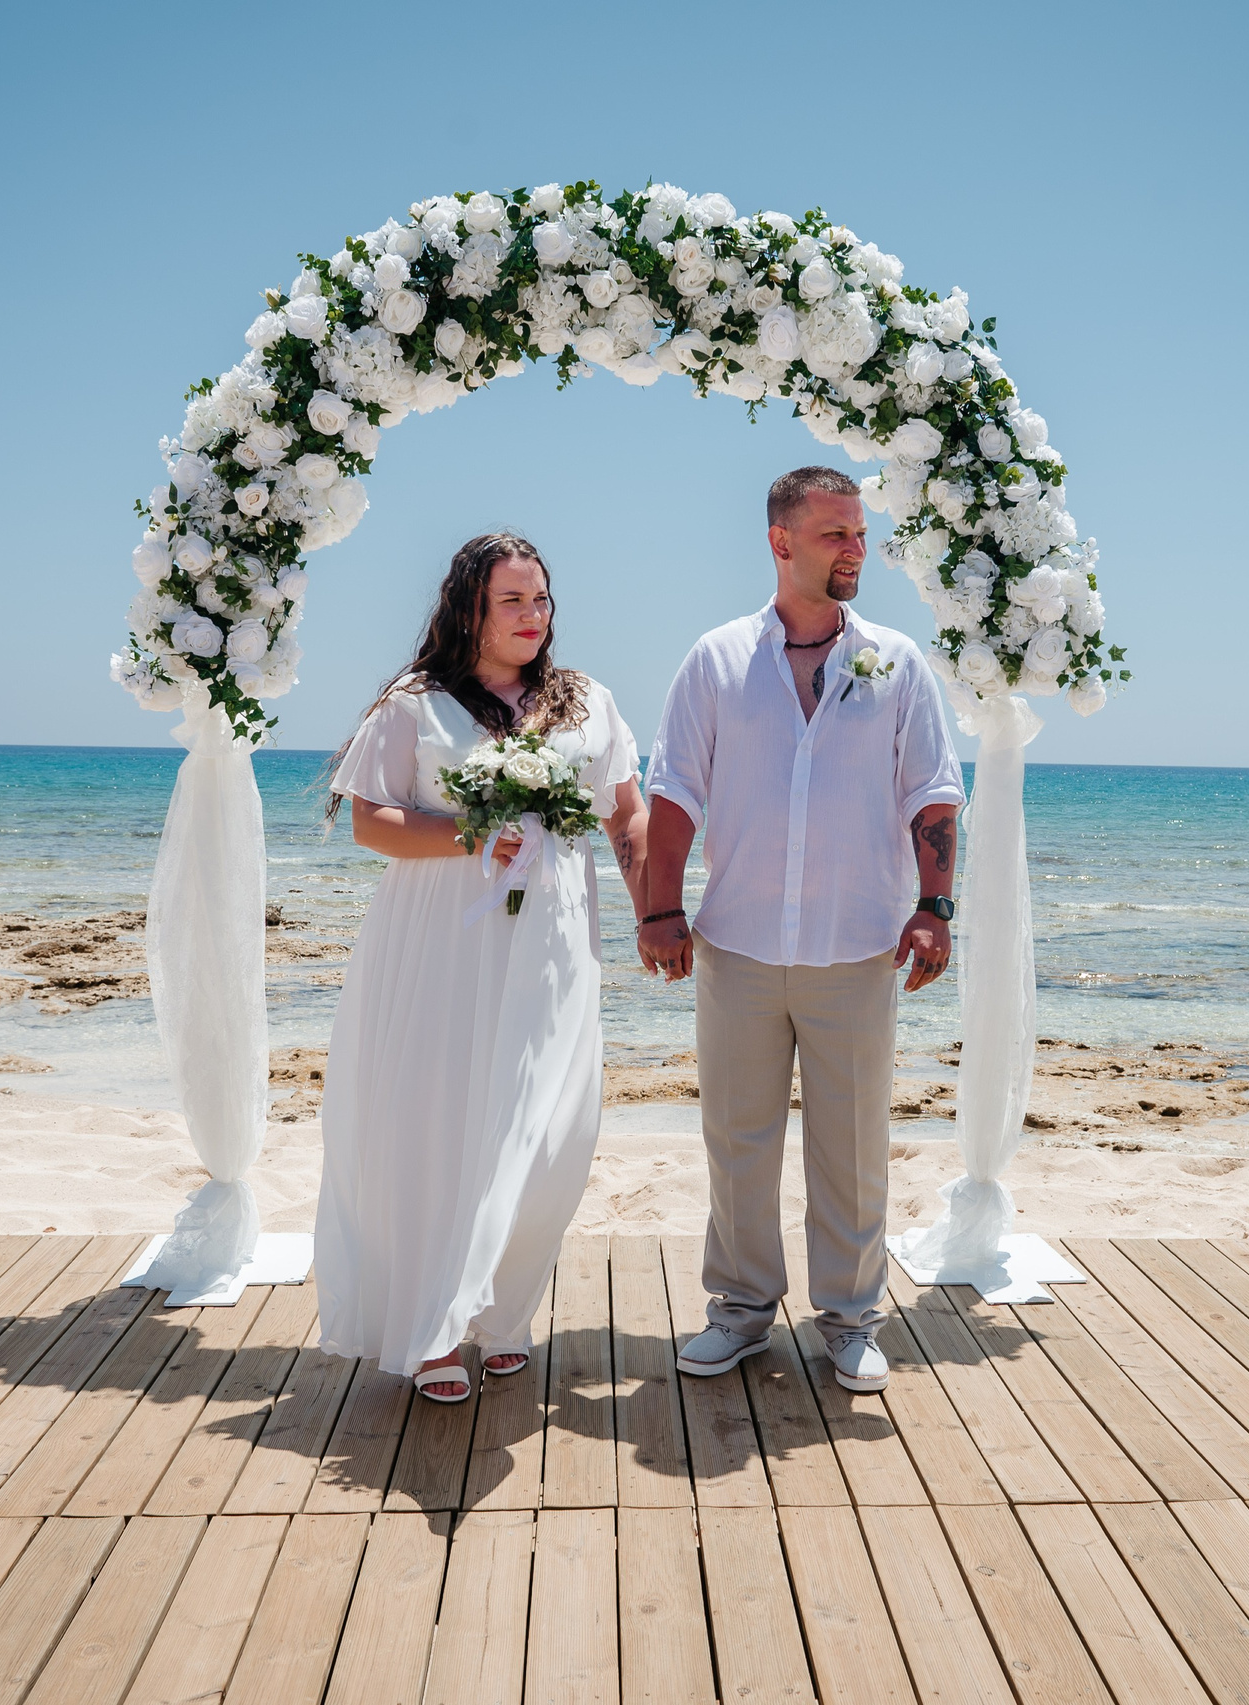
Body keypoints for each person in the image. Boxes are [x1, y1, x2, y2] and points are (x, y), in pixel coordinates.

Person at [640, 466, 965, 1393]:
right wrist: (661, 910)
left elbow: (934, 793)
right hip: (737, 943)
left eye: (860, 533)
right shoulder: (714, 660)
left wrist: (935, 908)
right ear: (781, 542)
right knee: (737, 1139)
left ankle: (853, 1317)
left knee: (853, 1142)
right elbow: (674, 792)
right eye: (834, 534)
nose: (856, 548)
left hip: (857, 943)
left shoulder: (898, 662)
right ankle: (740, 1312)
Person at [315, 533, 647, 1402]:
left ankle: (501, 1311)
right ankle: (430, 1325)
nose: (533, 617)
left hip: (556, 942)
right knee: (440, 1115)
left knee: (548, 1127)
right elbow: (371, 822)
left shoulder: (586, 703)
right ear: (470, 607)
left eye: (541, 600)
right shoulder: (415, 704)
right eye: (513, 601)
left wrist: (659, 910)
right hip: (443, 939)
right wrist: (469, 833)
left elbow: (626, 814)